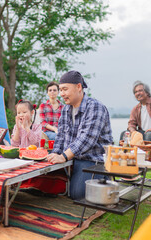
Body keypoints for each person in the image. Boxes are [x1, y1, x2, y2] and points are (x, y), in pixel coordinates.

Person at [47, 70, 113, 200]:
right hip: (72, 158)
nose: (62, 94)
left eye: (65, 89)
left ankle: (104, 177)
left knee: (78, 194)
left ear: (78, 87)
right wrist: (55, 154)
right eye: (60, 90)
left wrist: (64, 157)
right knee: (47, 185)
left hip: (93, 159)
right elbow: (60, 136)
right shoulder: (66, 109)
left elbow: (87, 139)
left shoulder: (95, 107)